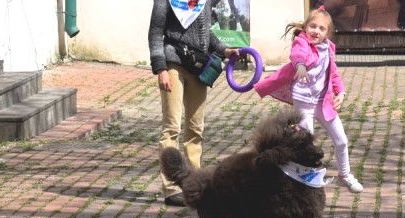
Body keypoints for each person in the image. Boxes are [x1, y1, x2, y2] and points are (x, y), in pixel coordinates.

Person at [253, 6, 364, 193]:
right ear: (305, 27)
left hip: (323, 101)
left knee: (342, 140)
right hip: (303, 101)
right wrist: (301, 66)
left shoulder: (328, 48)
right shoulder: (301, 42)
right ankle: (304, 180)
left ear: (328, 33)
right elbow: (298, 55)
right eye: (313, 26)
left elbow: (334, 74)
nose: (316, 31)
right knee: (306, 143)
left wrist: (341, 93)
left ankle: (345, 175)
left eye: (322, 29)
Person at [149, 0, 239, 206]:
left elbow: (206, 34)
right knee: (171, 127)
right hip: (173, 63)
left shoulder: (204, 2)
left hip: (198, 66)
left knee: (196, 129)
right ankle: (171, 189)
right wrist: (160, 68)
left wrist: (225, 51)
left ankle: (194, 184)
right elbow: (155, 33)